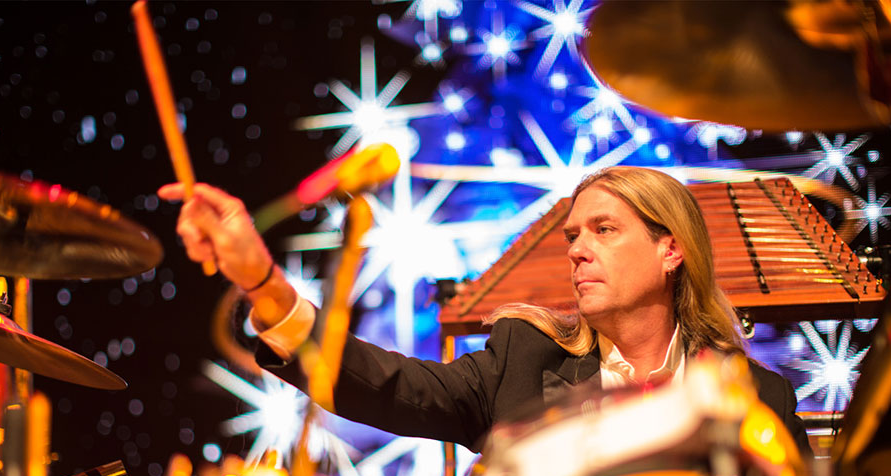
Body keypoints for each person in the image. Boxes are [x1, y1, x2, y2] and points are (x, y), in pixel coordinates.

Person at [158, 166, 808, 452]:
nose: (579, 250)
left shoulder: (761, 400)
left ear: (671, 250)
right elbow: (383, 384)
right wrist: (262, 281)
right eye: (573, 235)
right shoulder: (522, 365)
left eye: (604, 230)